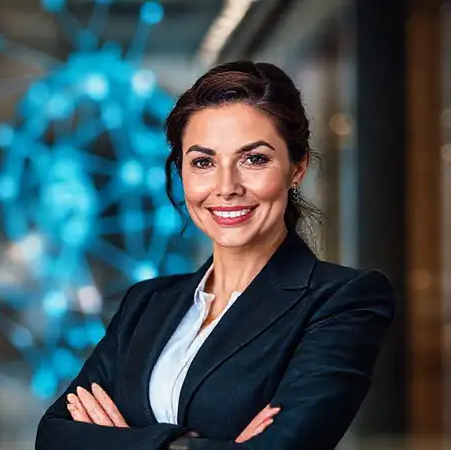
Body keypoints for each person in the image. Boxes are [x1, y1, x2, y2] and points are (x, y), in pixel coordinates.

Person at [35, 61, 395, 450]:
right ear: (182, 173)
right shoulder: (147, 303)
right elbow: (54, 435)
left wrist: (127, 442)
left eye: (254, 159)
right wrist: (185, 444)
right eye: (203, 162)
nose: (226, 187)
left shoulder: (343, 299)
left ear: (297, 167)